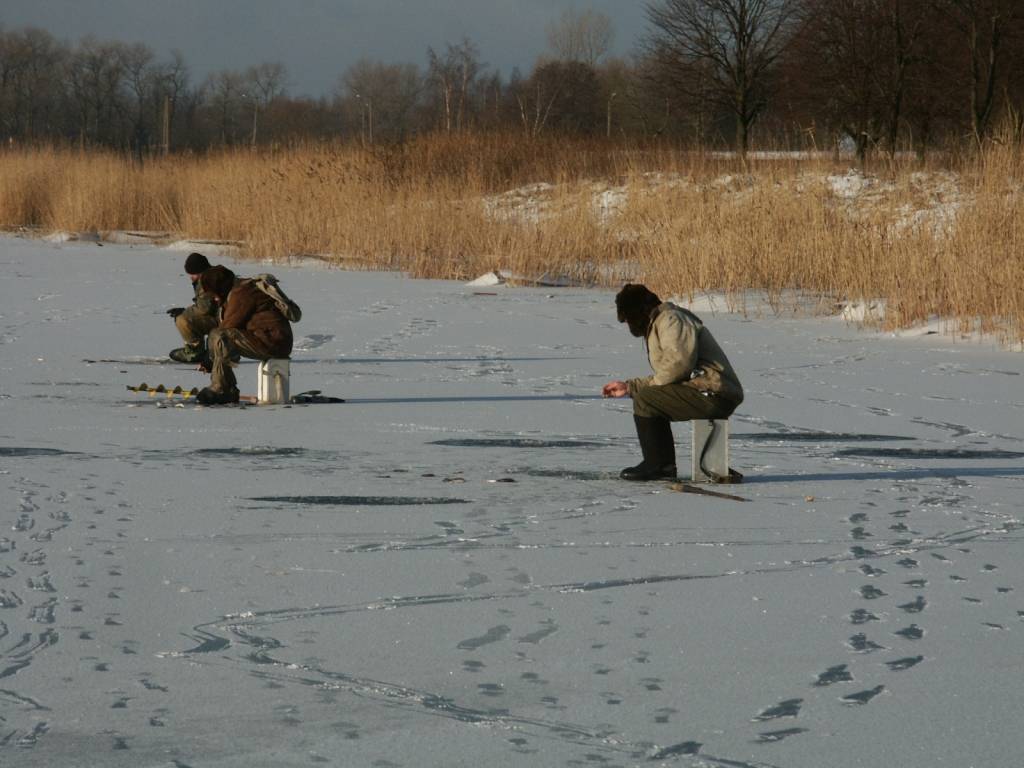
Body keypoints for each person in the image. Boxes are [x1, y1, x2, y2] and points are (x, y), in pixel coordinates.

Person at [602, 283, 744, 481]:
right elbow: (670, 373)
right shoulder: (661, 322)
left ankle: (659, 465)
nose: (628, 325)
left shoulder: (671, 320)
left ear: (640, 311)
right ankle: (679, 466)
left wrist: (639, 390)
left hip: (714, 392)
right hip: (710, 390)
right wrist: (630, 386)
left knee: (646, 400)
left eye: (628, 319)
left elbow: (679, 365)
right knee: (648, 397)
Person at [195, 265, 293, 405]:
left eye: (213, 294)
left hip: (273, 342)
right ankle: (226, 388)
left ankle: (222, 389)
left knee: (221, 336)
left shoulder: (241, 294)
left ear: (221, 288)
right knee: (219, 336)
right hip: (270, 339)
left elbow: (227, 327)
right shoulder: (238, 290)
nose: (214, 299)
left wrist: (209, 359)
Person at [167, 252, 218, 364]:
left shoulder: (206, 281)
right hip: (226, 316)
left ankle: (195, 352)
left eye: (193, 274)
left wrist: (184, 313)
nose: (191, 277)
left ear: (200, 271)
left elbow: (205, 309)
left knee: (182, 319)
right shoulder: (216, 274)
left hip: (222, 320)